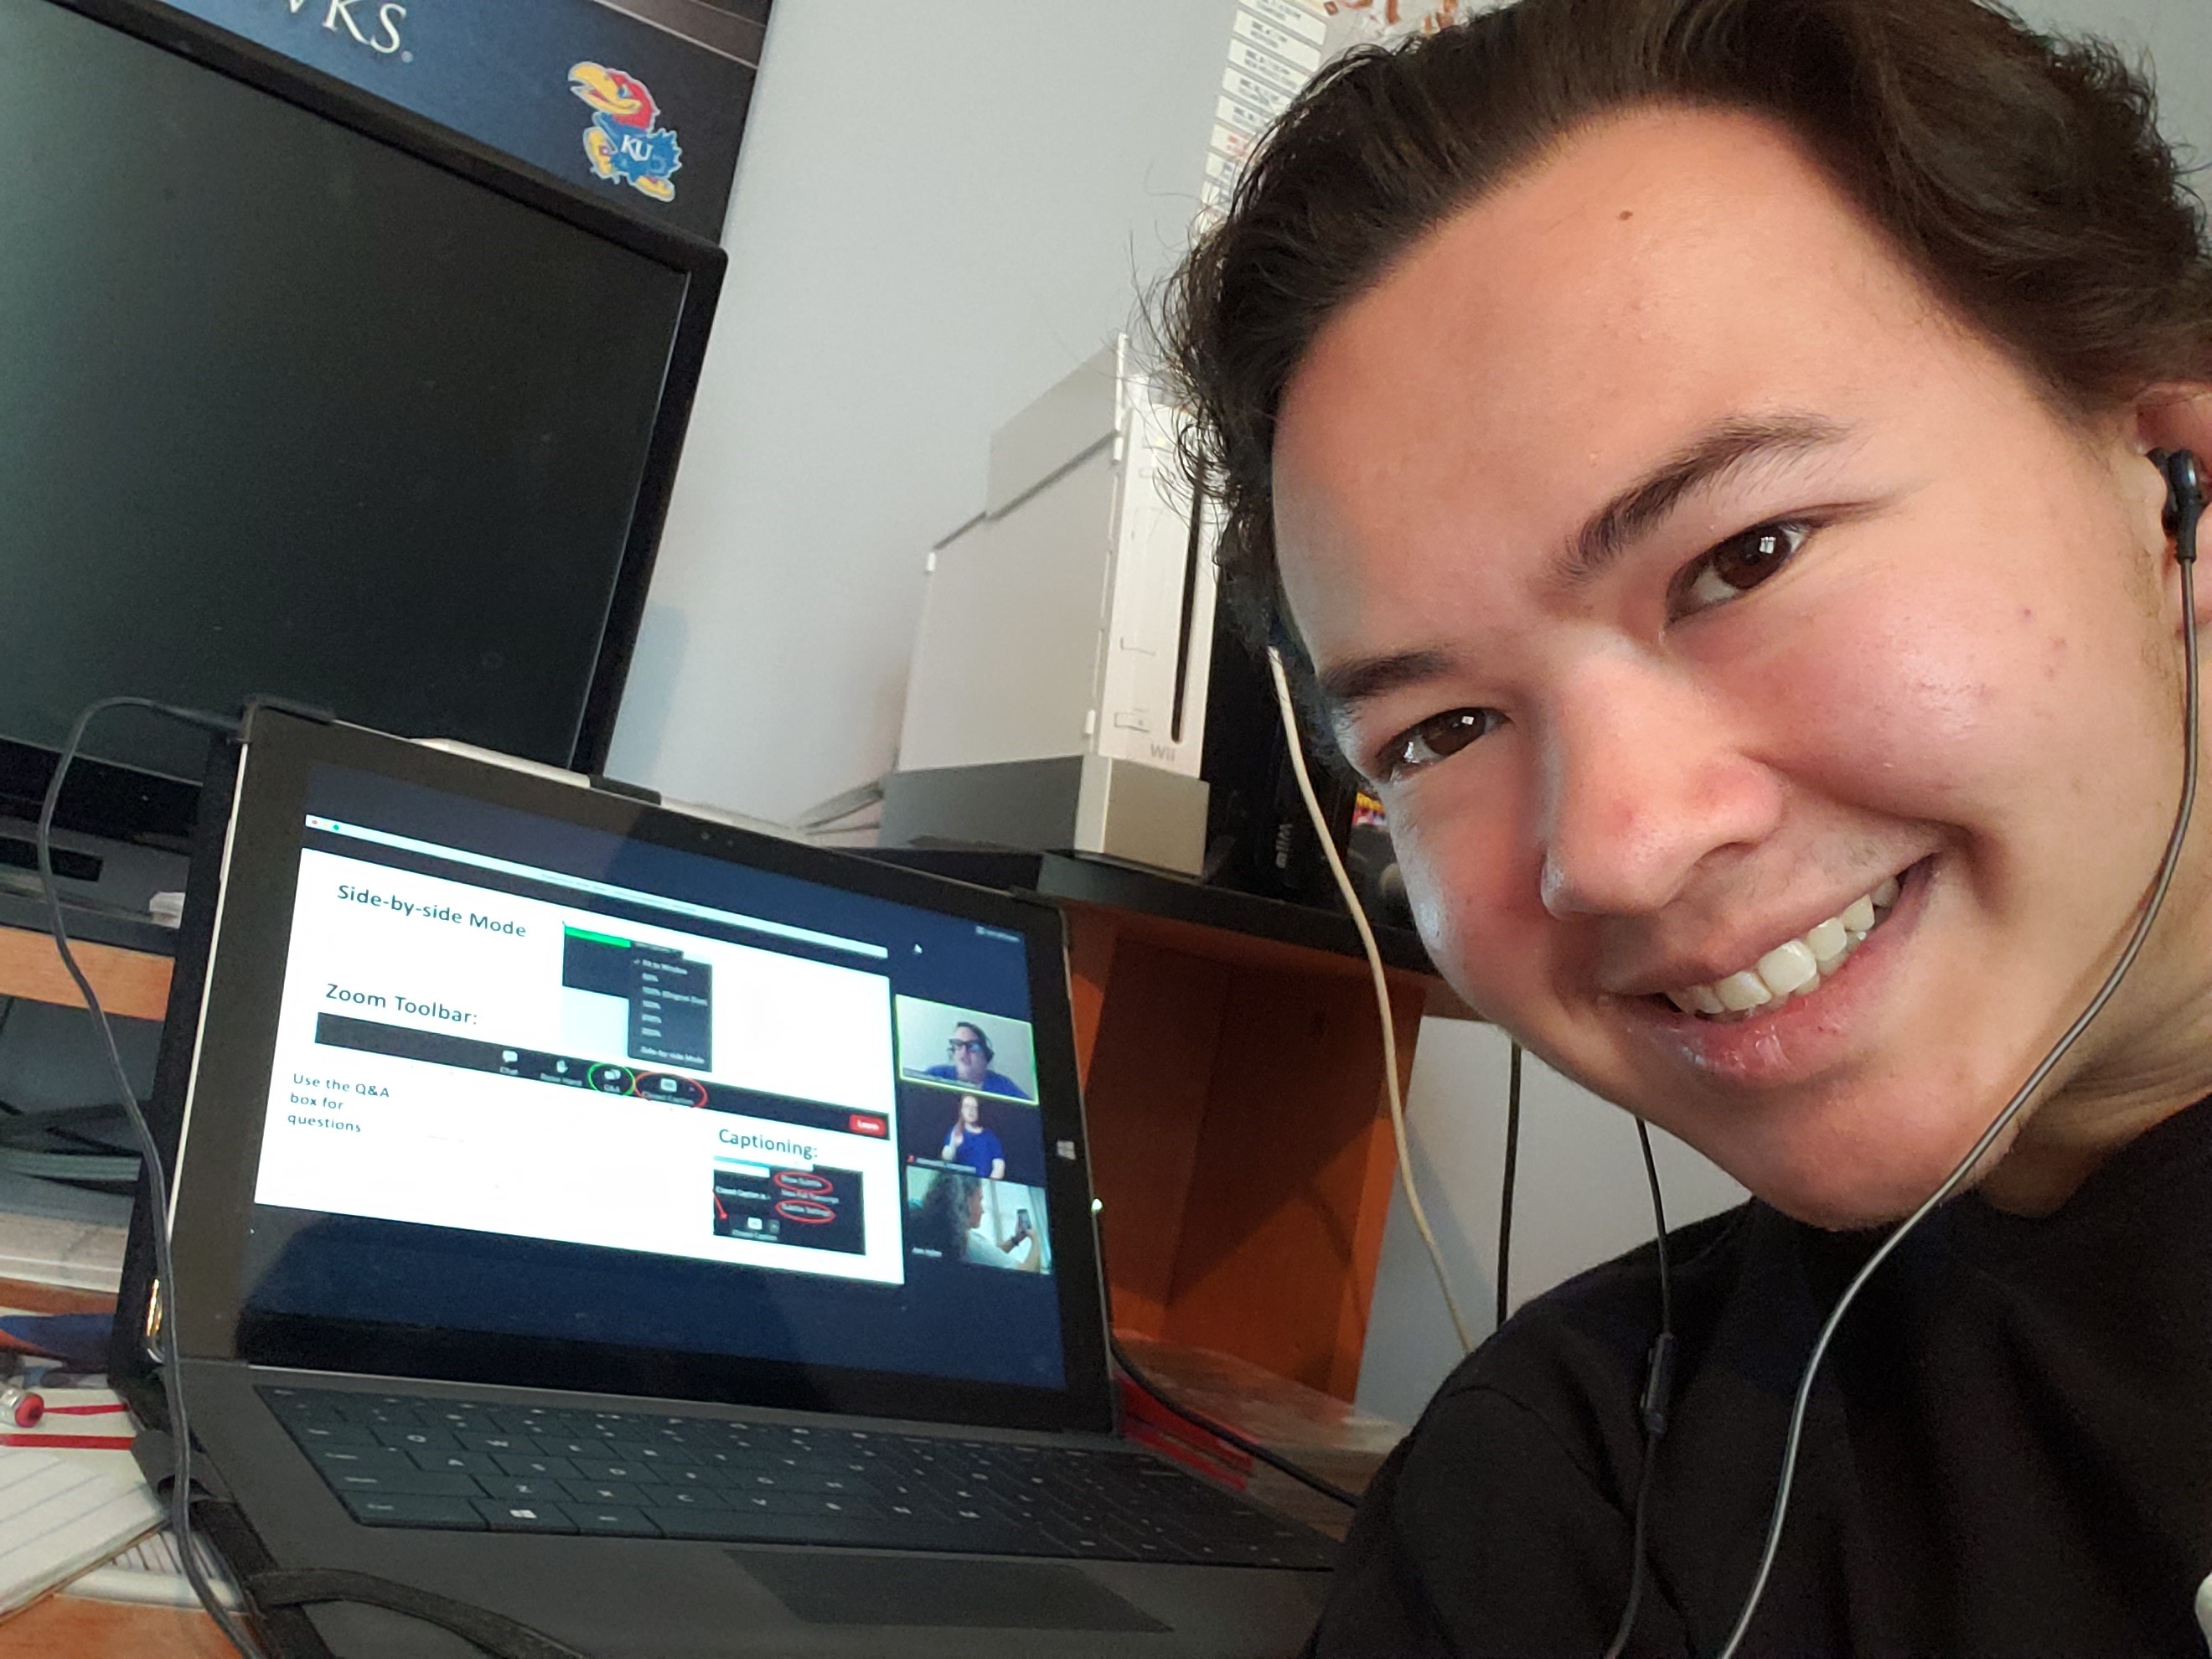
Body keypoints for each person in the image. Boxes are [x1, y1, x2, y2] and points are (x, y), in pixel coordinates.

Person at [1162, 0, 2212, 1653]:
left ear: (2176, 494)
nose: (1619, 849)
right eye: (1442, 730)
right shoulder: (1564, 1495)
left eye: (1749, 555)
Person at [917, 1021, 1031, 1101]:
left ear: (985, 1057)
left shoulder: (1002, 1085)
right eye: (958, 1045)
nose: (963, 1052)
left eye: (972, 1046)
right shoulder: (936, 1075)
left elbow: (1029, 1111)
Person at [939, 1093, 1007, 1180]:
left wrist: (986, 1186)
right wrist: (953, 1144)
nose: (971, 1111)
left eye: (974, 1107)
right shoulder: (955, 1132)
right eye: (967, 1106)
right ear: (961, 1110)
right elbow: (946, 1159)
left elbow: (999, 1167)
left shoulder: (990, 1137)